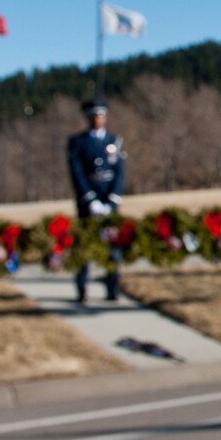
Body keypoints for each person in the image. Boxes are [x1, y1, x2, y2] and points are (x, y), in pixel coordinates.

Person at [65, 96, 126, 304]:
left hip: (109, 198)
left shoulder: (113, 141)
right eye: (93, 116)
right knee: (84, 246)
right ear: (87, 117)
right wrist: (90, 199)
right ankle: (82, 288)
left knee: (112, 247)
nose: (97, 119)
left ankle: (112, 287)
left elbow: (119, 171)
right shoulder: (78, 142)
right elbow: (77, 172)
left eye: (100, 115)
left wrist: (113, 200)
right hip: (87, 201)